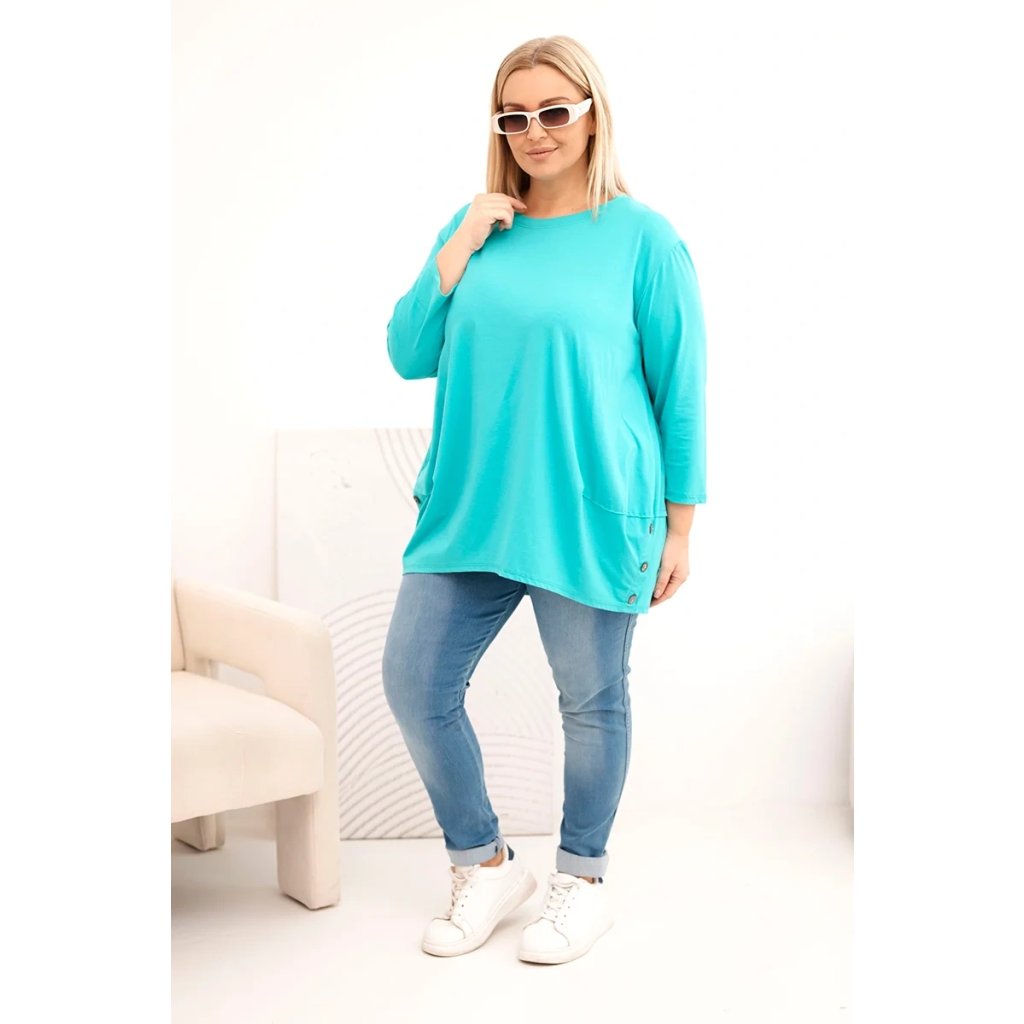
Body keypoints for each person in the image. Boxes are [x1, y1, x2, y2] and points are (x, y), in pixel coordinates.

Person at [381, 35, 707, 965]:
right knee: (415, 683)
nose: (535, 131)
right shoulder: (477, 228)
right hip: (471, 509)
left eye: (554, 111)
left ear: (591, 116)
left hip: (590, 510)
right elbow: (408, 353)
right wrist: (458, 246)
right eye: (514, 115)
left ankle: (582, 881)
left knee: (591, 701)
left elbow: (681, 389)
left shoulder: (643, 238)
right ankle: (484, 864)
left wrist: (680, 527)